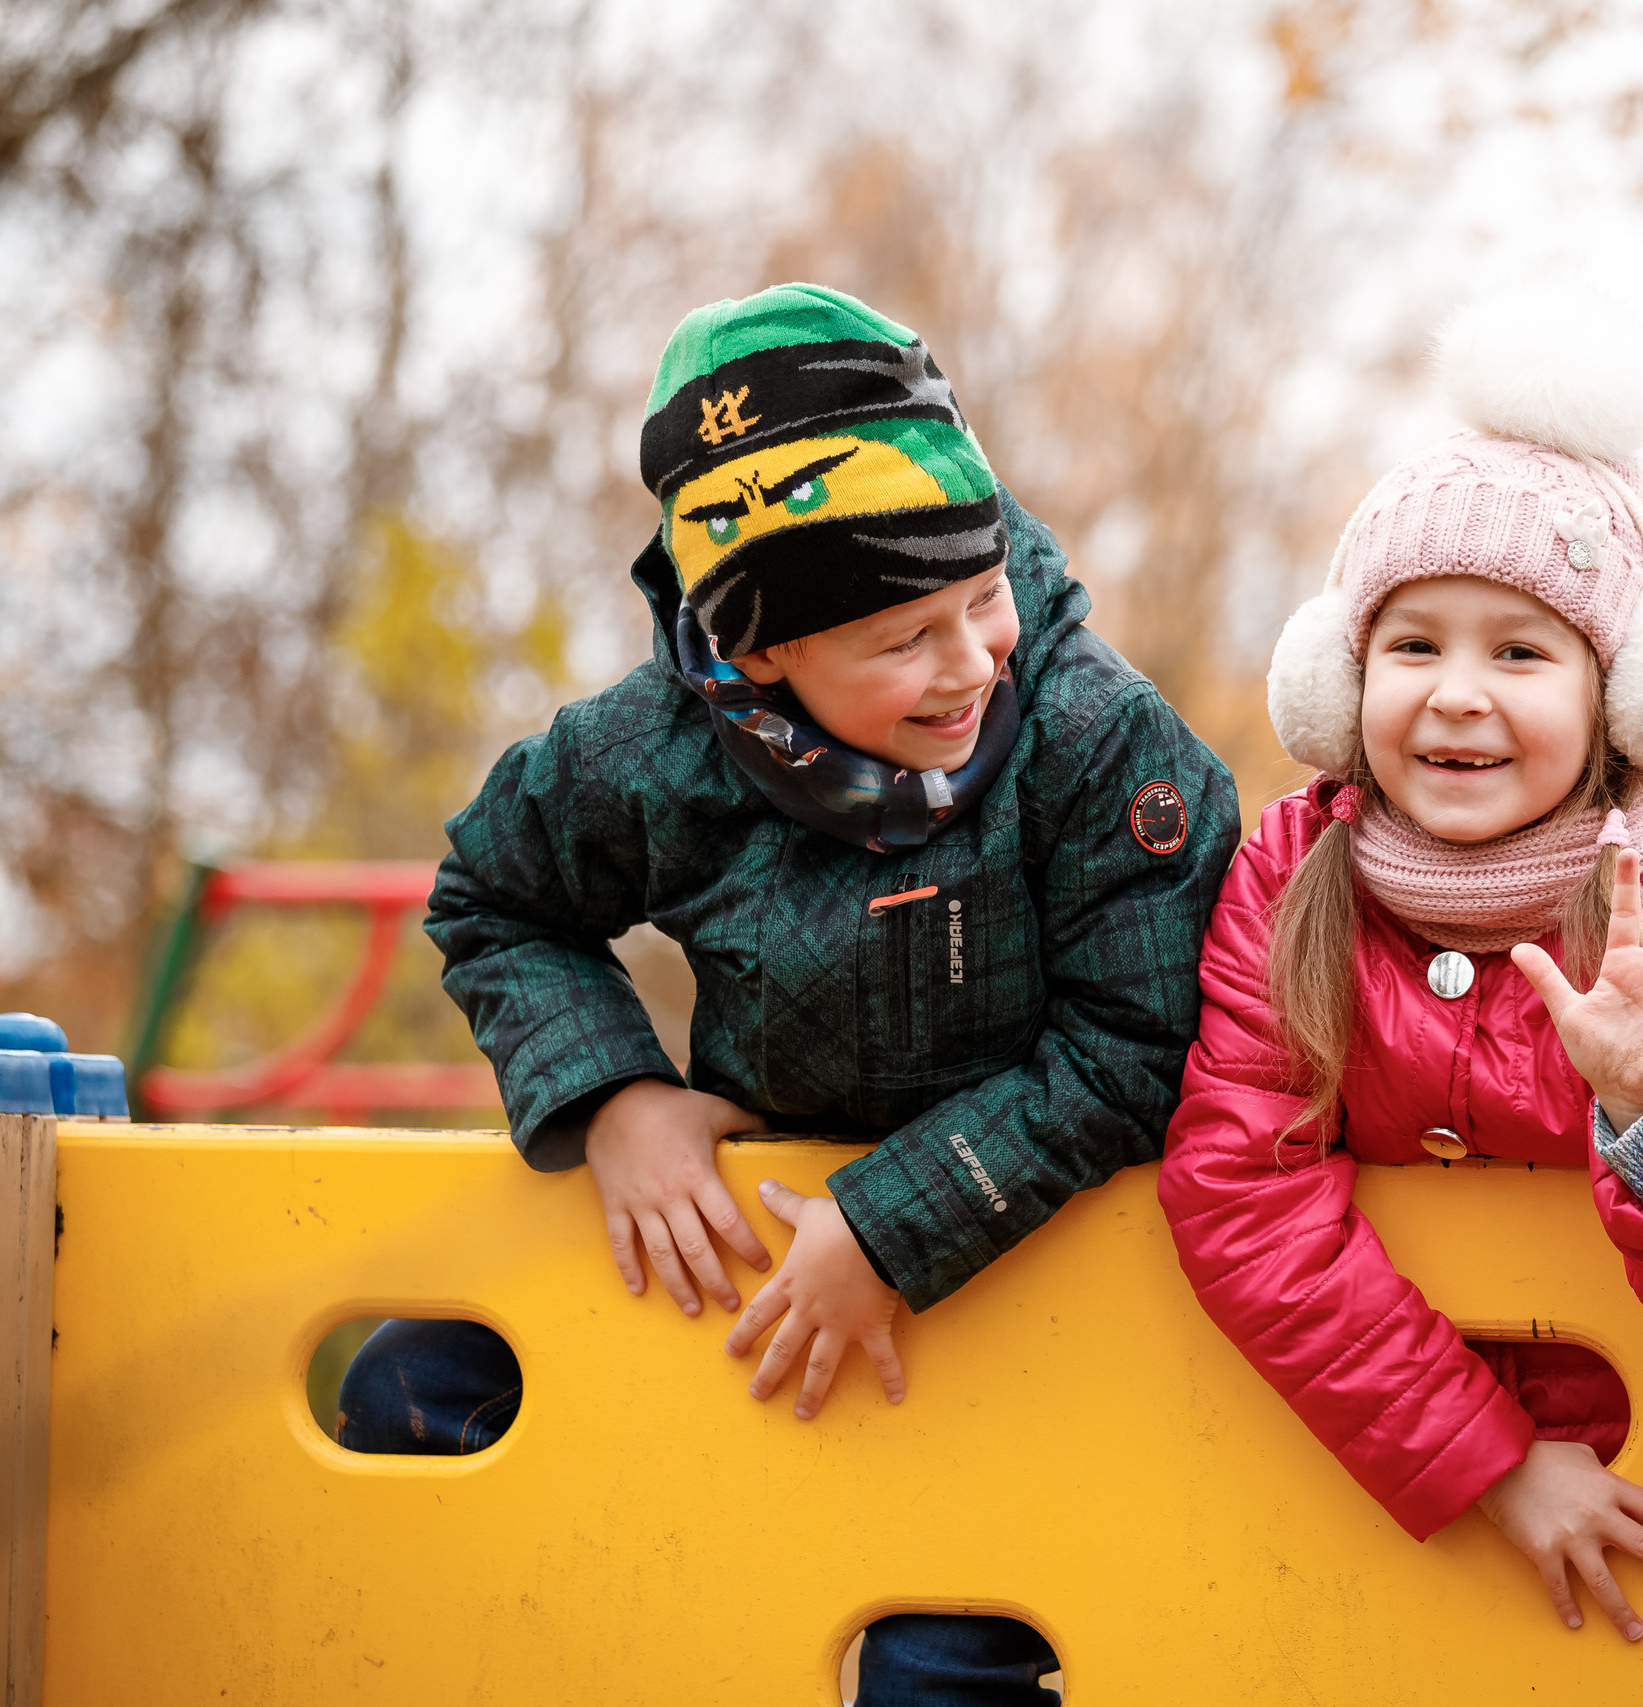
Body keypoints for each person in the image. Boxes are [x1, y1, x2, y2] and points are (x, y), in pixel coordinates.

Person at [339, 282, 1238, 1703]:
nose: (972, 661)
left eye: (983, 596)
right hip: (766, 1222)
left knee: (937, 1652)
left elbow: (1138, 1045)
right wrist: (618, 1098)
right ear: (762, 653)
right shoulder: (654, 754)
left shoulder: (1097, 738)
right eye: (902, 640)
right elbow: (495, 900)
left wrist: (891, 1222)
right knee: (402, 1390)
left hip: (1026, 1251)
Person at [1157, 297, 1643, 1647]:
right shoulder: (1292, 878)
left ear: (1621, 701)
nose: (1457, 692)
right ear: (1341, 677)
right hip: (1352, 1507)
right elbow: (1241, 1188)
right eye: (1413, 644)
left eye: (1519, 651)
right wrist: (1491, 1465)